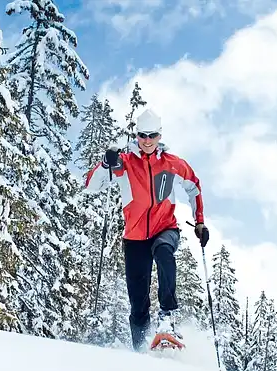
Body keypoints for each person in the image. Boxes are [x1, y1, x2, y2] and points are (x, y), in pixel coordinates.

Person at [84, 108, 209, 352]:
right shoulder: (125, 163)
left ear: (160, 136)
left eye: (153, 135)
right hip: (135, 237)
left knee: (164, 252)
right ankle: (140, 351)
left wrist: (200, 221)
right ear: (137, 135)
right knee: (138, 304)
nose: (148, 140)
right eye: (143, 135)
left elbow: (194, 187)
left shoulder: (173, 164)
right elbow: (91, 186)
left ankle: (167, 317)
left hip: (166, 228)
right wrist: (104, 164)